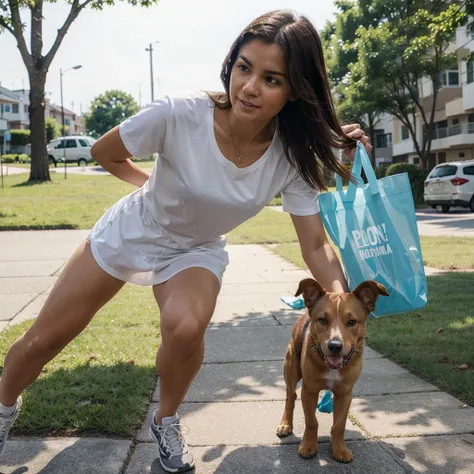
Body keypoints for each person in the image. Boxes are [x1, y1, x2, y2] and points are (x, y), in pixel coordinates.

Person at [0, 9, 371, 473]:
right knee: (42, 342)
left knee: (185, 326)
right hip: (133, 228)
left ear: (295, 89)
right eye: (244, 67)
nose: (250, 87)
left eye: (271, 78)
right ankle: (3, 410)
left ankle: (167, 419)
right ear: (230, 64)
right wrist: (153, 190)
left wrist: (342, 308)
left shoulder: (290, 156)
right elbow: (104, 153)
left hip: (195, 249)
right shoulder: (179, 113)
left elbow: (315, 246)